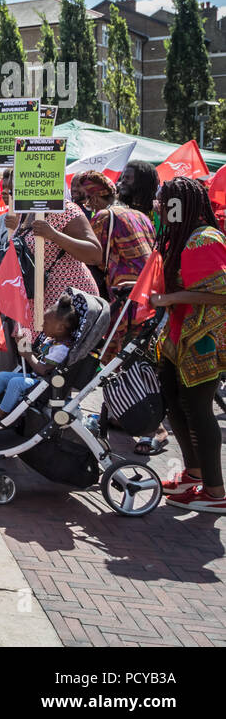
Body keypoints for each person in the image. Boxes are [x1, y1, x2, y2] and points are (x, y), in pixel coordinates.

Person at [148, 178, 226, 513]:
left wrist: (172, 297)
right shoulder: (181, 236)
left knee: (198, 409)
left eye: (163, 201)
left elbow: (221, 290)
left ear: (178, 205)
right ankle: (194, 473)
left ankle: (216, 491)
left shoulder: (204, 239)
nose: (157, 206)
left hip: (203, 340)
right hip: (180, 336)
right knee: (175, 403)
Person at [0, 293, 85, 423]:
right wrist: (25, 348)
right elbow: (38, 357)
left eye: (45, 322)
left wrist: (28, 354)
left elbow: (44, 370)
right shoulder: (52, 341)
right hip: (37, 379)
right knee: (3, 376)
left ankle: (0, 415)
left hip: (46, 384)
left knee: (15, 383)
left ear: (60, 328)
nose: (42, 325)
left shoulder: (62, 348)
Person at [3, 196, 101, 340]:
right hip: (35, 306)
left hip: (67, 308)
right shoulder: (24, 211)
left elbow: (95, 254)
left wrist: (54, 235)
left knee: (59, 359)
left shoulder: (66, 210)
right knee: (35, 358)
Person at [82, 170, 156, 359]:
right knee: (142, 352)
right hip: (149, 291)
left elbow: (92, 257)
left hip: (124, 296)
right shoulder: (141, 216)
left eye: (87, 198)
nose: (87, 204)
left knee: (120, 358)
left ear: (97, 197)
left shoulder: (104, 216)